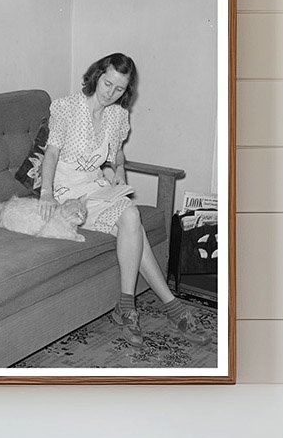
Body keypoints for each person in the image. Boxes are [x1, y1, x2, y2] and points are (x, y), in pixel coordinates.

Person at [37, 52, 208, 347]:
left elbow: (116, 157)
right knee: (134, 225)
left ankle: (126, 305)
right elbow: (51, 153)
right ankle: (168, 305)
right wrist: (47, 194)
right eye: (107, 84)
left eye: (119, 89)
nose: (111, 93)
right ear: (96, 76)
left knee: (130, 215)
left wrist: (120, 180)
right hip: (67, 192)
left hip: (96, 186)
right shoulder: (65, 107)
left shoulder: (118, 116)